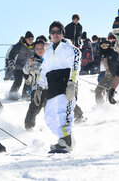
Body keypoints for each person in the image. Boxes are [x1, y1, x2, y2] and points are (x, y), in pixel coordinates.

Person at [35, 21, 81, 152]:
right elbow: (43, 71)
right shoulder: (48, 52)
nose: (55, 34)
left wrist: (72, 83)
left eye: (58, 32)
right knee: (49, 117)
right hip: (53, 87)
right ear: (49, 35)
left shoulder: (69, 49)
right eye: (52, 32)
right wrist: (39, 87)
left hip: (66, 84)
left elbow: (75, 66)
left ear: (63, 33)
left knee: (63, 113)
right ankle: (66, 138)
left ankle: (66, 142)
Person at [7, 31, 34, 99]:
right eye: (29, 39)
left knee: (29, 80)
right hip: (17, 66)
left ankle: (25, 95)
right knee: (18, 80)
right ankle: (12, 94)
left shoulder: (33, 46)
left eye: (32, 39)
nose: (31, 41)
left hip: (26, 68)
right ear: (25, 39)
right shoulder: (20, 45)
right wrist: (11, 61)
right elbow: (12, 53)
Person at [93, 38, 119, 104]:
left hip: (114, 76)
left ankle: (111, 106)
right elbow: (95, 63)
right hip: (107, 76)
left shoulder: (113, 53)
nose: (105, 47)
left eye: (106, 45)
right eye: (103, 45)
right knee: (98, 90)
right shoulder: (100, 54)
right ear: (100, 46)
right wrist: (85, 68)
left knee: (109, 90)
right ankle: (100, 105)